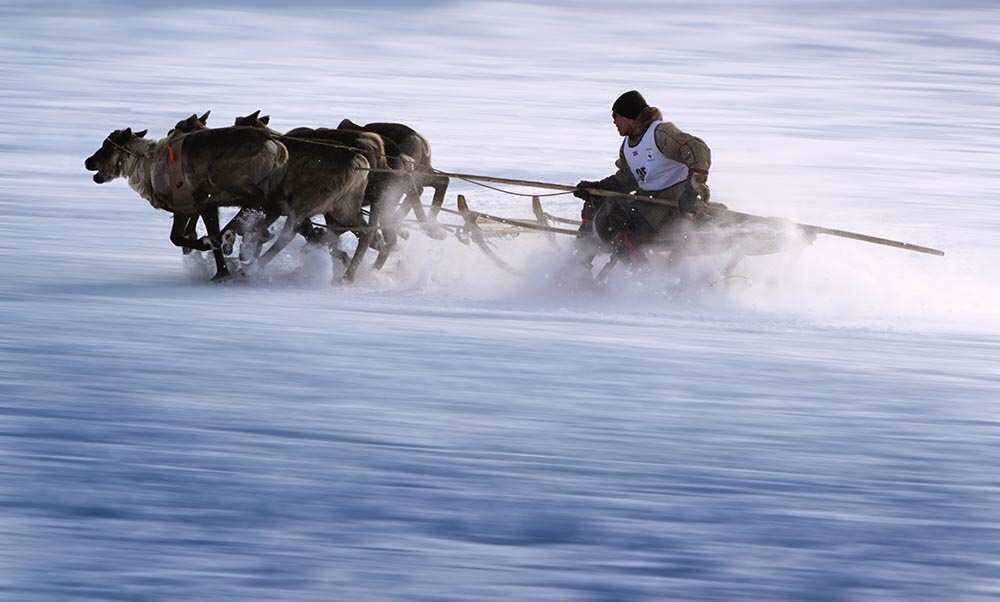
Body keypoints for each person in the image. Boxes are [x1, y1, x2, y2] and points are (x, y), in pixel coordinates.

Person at [574, 90, 711, 262]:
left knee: (616, 217)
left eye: (616, 116)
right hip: (647, 202)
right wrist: (597, 188)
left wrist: (692, 190)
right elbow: (626, 180)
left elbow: (698, 149)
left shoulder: (660, 134)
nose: (614, 121)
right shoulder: (628, 146)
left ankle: (639, 271)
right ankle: (578, 264)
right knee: (594, 204)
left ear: (629, 116)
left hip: (671, 205)